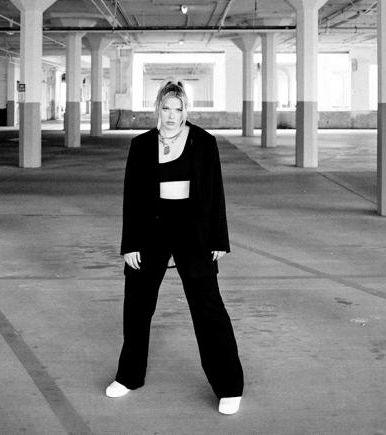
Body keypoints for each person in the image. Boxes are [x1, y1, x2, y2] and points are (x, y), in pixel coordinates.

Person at [105, 80, 244, 415]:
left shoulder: (204, 142)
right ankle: (129, 375)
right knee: (137, 306)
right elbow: (132, 198)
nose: (171, 115)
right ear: (158, 108)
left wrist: (218, 240)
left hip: (192, 230)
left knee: (208, 306)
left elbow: (215, 193)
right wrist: (131, 244)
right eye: (166, 108)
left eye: (178, 108)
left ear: (186, 110)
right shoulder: (141, 145)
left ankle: (229, 386)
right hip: (151, 228)